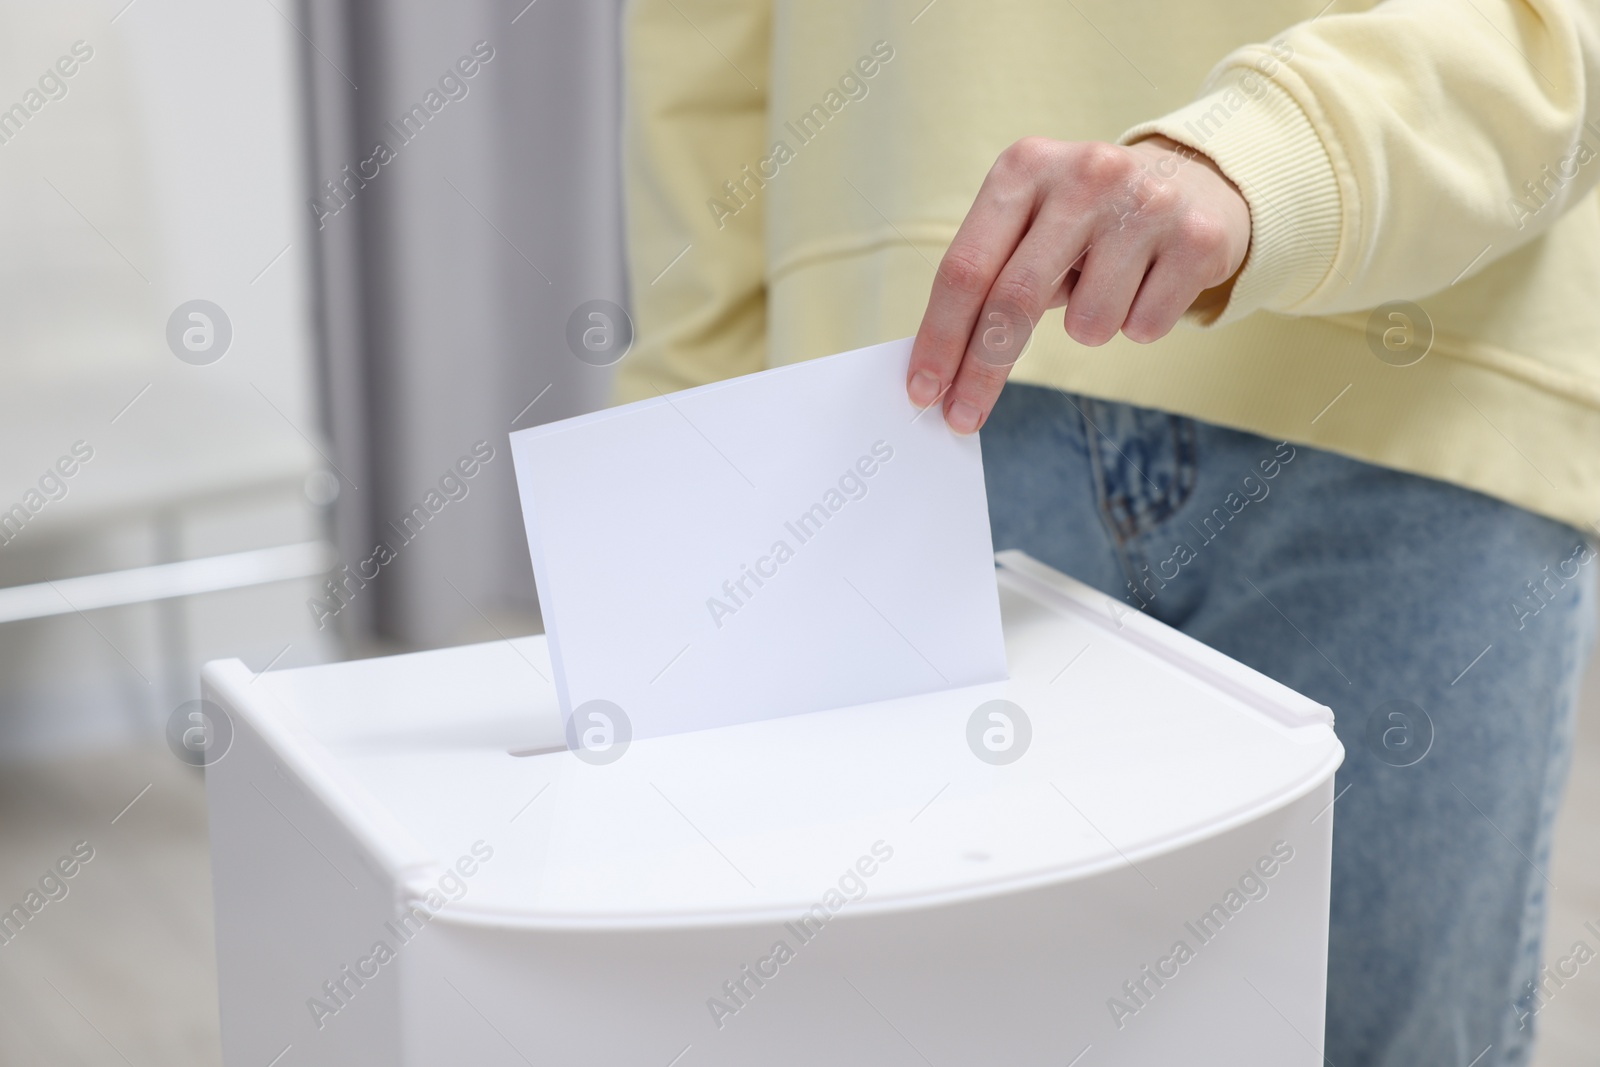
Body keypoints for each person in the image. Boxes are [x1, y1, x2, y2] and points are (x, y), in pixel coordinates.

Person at [615, 2, 1600, 1063]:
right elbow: (701, 41)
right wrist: (690, 439)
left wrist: (1266, 153)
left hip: (1413, 381)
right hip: (917, 402)